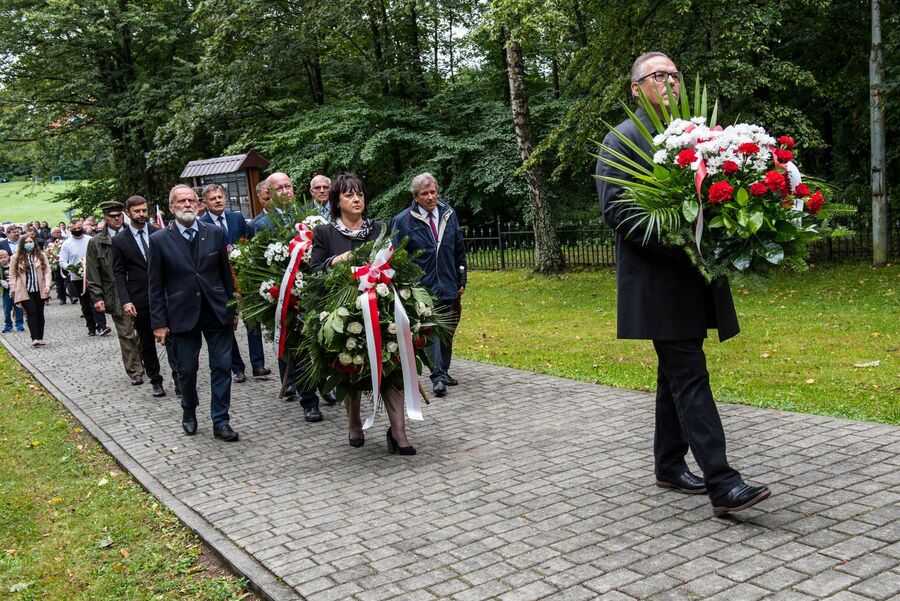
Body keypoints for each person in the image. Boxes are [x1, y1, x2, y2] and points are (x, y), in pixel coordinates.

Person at [595, 51, 770, 516]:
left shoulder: (696, 136)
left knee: (674, 373)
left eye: (675, 74)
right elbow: (619, 214)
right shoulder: (622, 139)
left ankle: (669, 464)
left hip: (695, 280)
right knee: (690, 376)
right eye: (659, 75)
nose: (670, 82)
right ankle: (723, 482)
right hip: (658, 281)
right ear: (636, 88)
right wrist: (682, 242)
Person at [311, 173, 416, 454]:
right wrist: (338, 260)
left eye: (359, 194)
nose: (356, 199)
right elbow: (314, 272)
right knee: (351, 372)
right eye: (348, 195)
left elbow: (396, 264)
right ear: (336, 202)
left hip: (381, 311)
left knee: (392, 367)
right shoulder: (325, 233)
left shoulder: (378, 229)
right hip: (345, 314)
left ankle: (399, 432)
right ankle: (354, 422)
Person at [148, 185, 239, 441]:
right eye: (181, 201)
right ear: (171, 207)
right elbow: (155, 286)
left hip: (216, 310)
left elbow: (225, 275)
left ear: (199, 205)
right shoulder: (159, 240)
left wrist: (233, 309)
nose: (187, 205)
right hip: (182, 314)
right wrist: (159, 323)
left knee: (221, 367)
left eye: (191, 200)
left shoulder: (215, 233)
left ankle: (221, 420)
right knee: (187, 370)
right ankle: (189, 409)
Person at [251, 172, 323, 421]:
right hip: (287, 298)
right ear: (269, 194)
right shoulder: (260, 225)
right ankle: (309, 401)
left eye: (288, 186)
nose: (285, 192)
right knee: (299, 351)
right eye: (279, 188)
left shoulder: (309, 217)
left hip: (315, 293)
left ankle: (325, 385)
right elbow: (256, 267)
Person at [390, 173, 467, 398]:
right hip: (422, 286)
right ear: (416, 197)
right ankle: (437, 376)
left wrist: (462, 277)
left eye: (433, 192)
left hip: (448, 281)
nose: (431, 197)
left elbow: (459, 248)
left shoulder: (448, 214)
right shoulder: (403, 220)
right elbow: (397, 256)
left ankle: (444, 369)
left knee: (447, 328)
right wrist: (404, 286)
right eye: (425, 194)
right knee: (431, 329)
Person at [199, 183, 270, 383]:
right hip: (219, 282)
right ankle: (237, 367)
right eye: (213, 199)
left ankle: (258, 365)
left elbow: (249, 240)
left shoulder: (236, 217)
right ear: (205, 203)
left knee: (252, 321)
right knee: (227, 323)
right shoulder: (202, 223)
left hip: (243, 278)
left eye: (220, 197)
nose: (218, 201)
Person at [112, 195, 175, 399]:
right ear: (128, 213)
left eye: (144, 210)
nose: (141, 214)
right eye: (137, 211)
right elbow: (119, 273)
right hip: (139, 298)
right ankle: (155, 380)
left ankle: (179, 378)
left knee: (173, 339)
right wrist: (126, 300)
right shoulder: (120, 241)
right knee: (147, 342)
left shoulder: (159, 233)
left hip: (165, 295)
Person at [87, 201, 146, 387]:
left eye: (120, 215)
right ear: (105, 217)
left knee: (143, 331)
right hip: (115, 292)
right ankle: (135, 370)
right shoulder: (97, 242)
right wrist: (97, 297)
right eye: (113, 216)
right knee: (126, 333)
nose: (117, 219)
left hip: (138, 289)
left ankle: (145, 361)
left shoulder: (134, 234)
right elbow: (93, 271)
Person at [60, 219, 110, 336]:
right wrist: (73, 268)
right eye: (75, 229)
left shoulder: (90, 240)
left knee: (97, 299)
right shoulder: (67, 244)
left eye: (79, 228)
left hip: (93, 276)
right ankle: (91, 326)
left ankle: (102, 325)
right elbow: (62, 261)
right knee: (85, 303)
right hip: (77, 278)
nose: (77, 230)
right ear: (70, 230)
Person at [9, 232, 51, 346]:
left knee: (39, 313)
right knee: (31, 312)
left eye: (30, 242)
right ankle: (35, 338)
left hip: (39, 288)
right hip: (24, 289)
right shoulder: (16, 257)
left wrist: (47, 285)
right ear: (22, 244)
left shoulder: (41, 255)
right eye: (26, 242)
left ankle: (40, 337)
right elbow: (12, 274)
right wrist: (13, 290)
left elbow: (47, 271)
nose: (28, 244)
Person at [0, 250, 18, 333]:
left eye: (4, 257)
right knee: (6, 309)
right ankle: (8, 325)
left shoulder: (12, 266)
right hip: (6, 292)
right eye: (1, 258)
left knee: (18, 307)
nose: (3, 259)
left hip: (15, 290)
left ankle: (19, 323)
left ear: (8, 257)